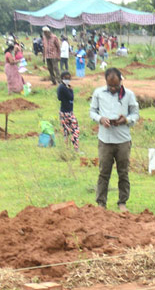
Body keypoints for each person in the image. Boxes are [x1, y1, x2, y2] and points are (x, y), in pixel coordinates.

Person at [90, 68, 139, 211]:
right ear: (106, 81)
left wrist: (127, 120)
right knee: (104, 172)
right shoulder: (98, 93)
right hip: (105, 140)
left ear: (121, 81)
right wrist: (100, 119)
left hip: (123, 140)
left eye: (116, 86)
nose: (113, 88)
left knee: (123, 172)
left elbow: (135, 114)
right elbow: (92, 111)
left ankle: (122, 202)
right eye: (110, 85)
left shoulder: (128, 95)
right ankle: (101, 203)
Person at [57, 71, 79, 151]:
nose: (68, 80)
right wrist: (70, 90)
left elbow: (60, 98)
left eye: (69, 78)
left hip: (63, 112)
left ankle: (66, 149)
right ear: (62, 78)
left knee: (66, 131)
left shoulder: (61, 87)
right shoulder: (64, 88)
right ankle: (76, 148)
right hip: (67, 113)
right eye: (66, 78)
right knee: (75, 129)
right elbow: (71, 97)